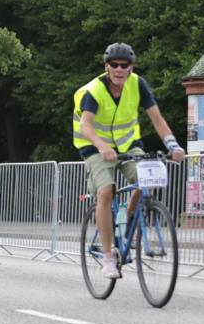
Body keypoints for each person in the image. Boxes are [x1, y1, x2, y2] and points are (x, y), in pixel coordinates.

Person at [73, 42, 186, 279]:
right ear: (107, 67)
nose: (119, 69)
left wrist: (173, 145)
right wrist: (102, 146)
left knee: (149, 179)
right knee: (106, 191)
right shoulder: (95, 90)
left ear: (131, 68)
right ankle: (108, 257)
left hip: (127, 145)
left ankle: (132, 219)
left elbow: (157, 119)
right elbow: (85, 125)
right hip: (94, 147)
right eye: (114, 65)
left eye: (124, 65)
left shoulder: (138, 84)